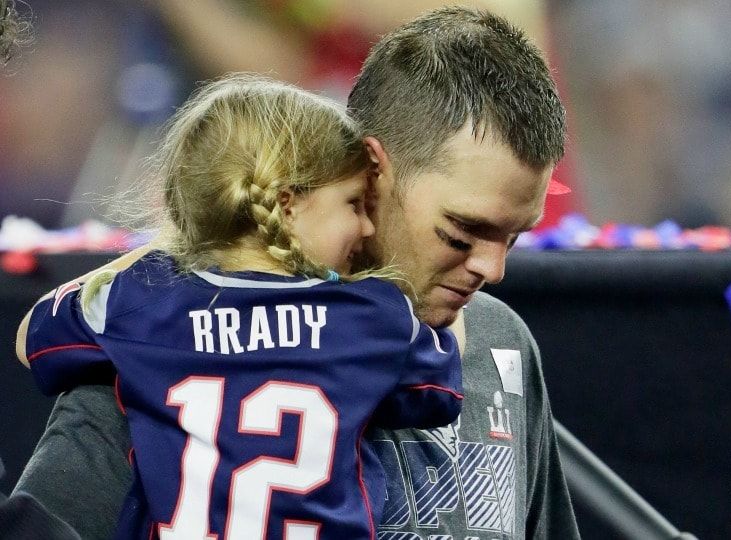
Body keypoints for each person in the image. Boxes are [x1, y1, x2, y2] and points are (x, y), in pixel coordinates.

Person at [14, 7, 581, 539]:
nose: (493, 268)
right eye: (461, 233)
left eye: (514, 236)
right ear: (369, 170)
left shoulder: (500, 339)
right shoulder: (160, 348)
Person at [17, 74, 464, 539]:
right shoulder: (372, 315)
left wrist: (174, 244)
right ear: (286, 205)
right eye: (354, 203)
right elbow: (445, 383)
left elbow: (29, 338)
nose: (368, 228)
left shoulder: (142, 300)